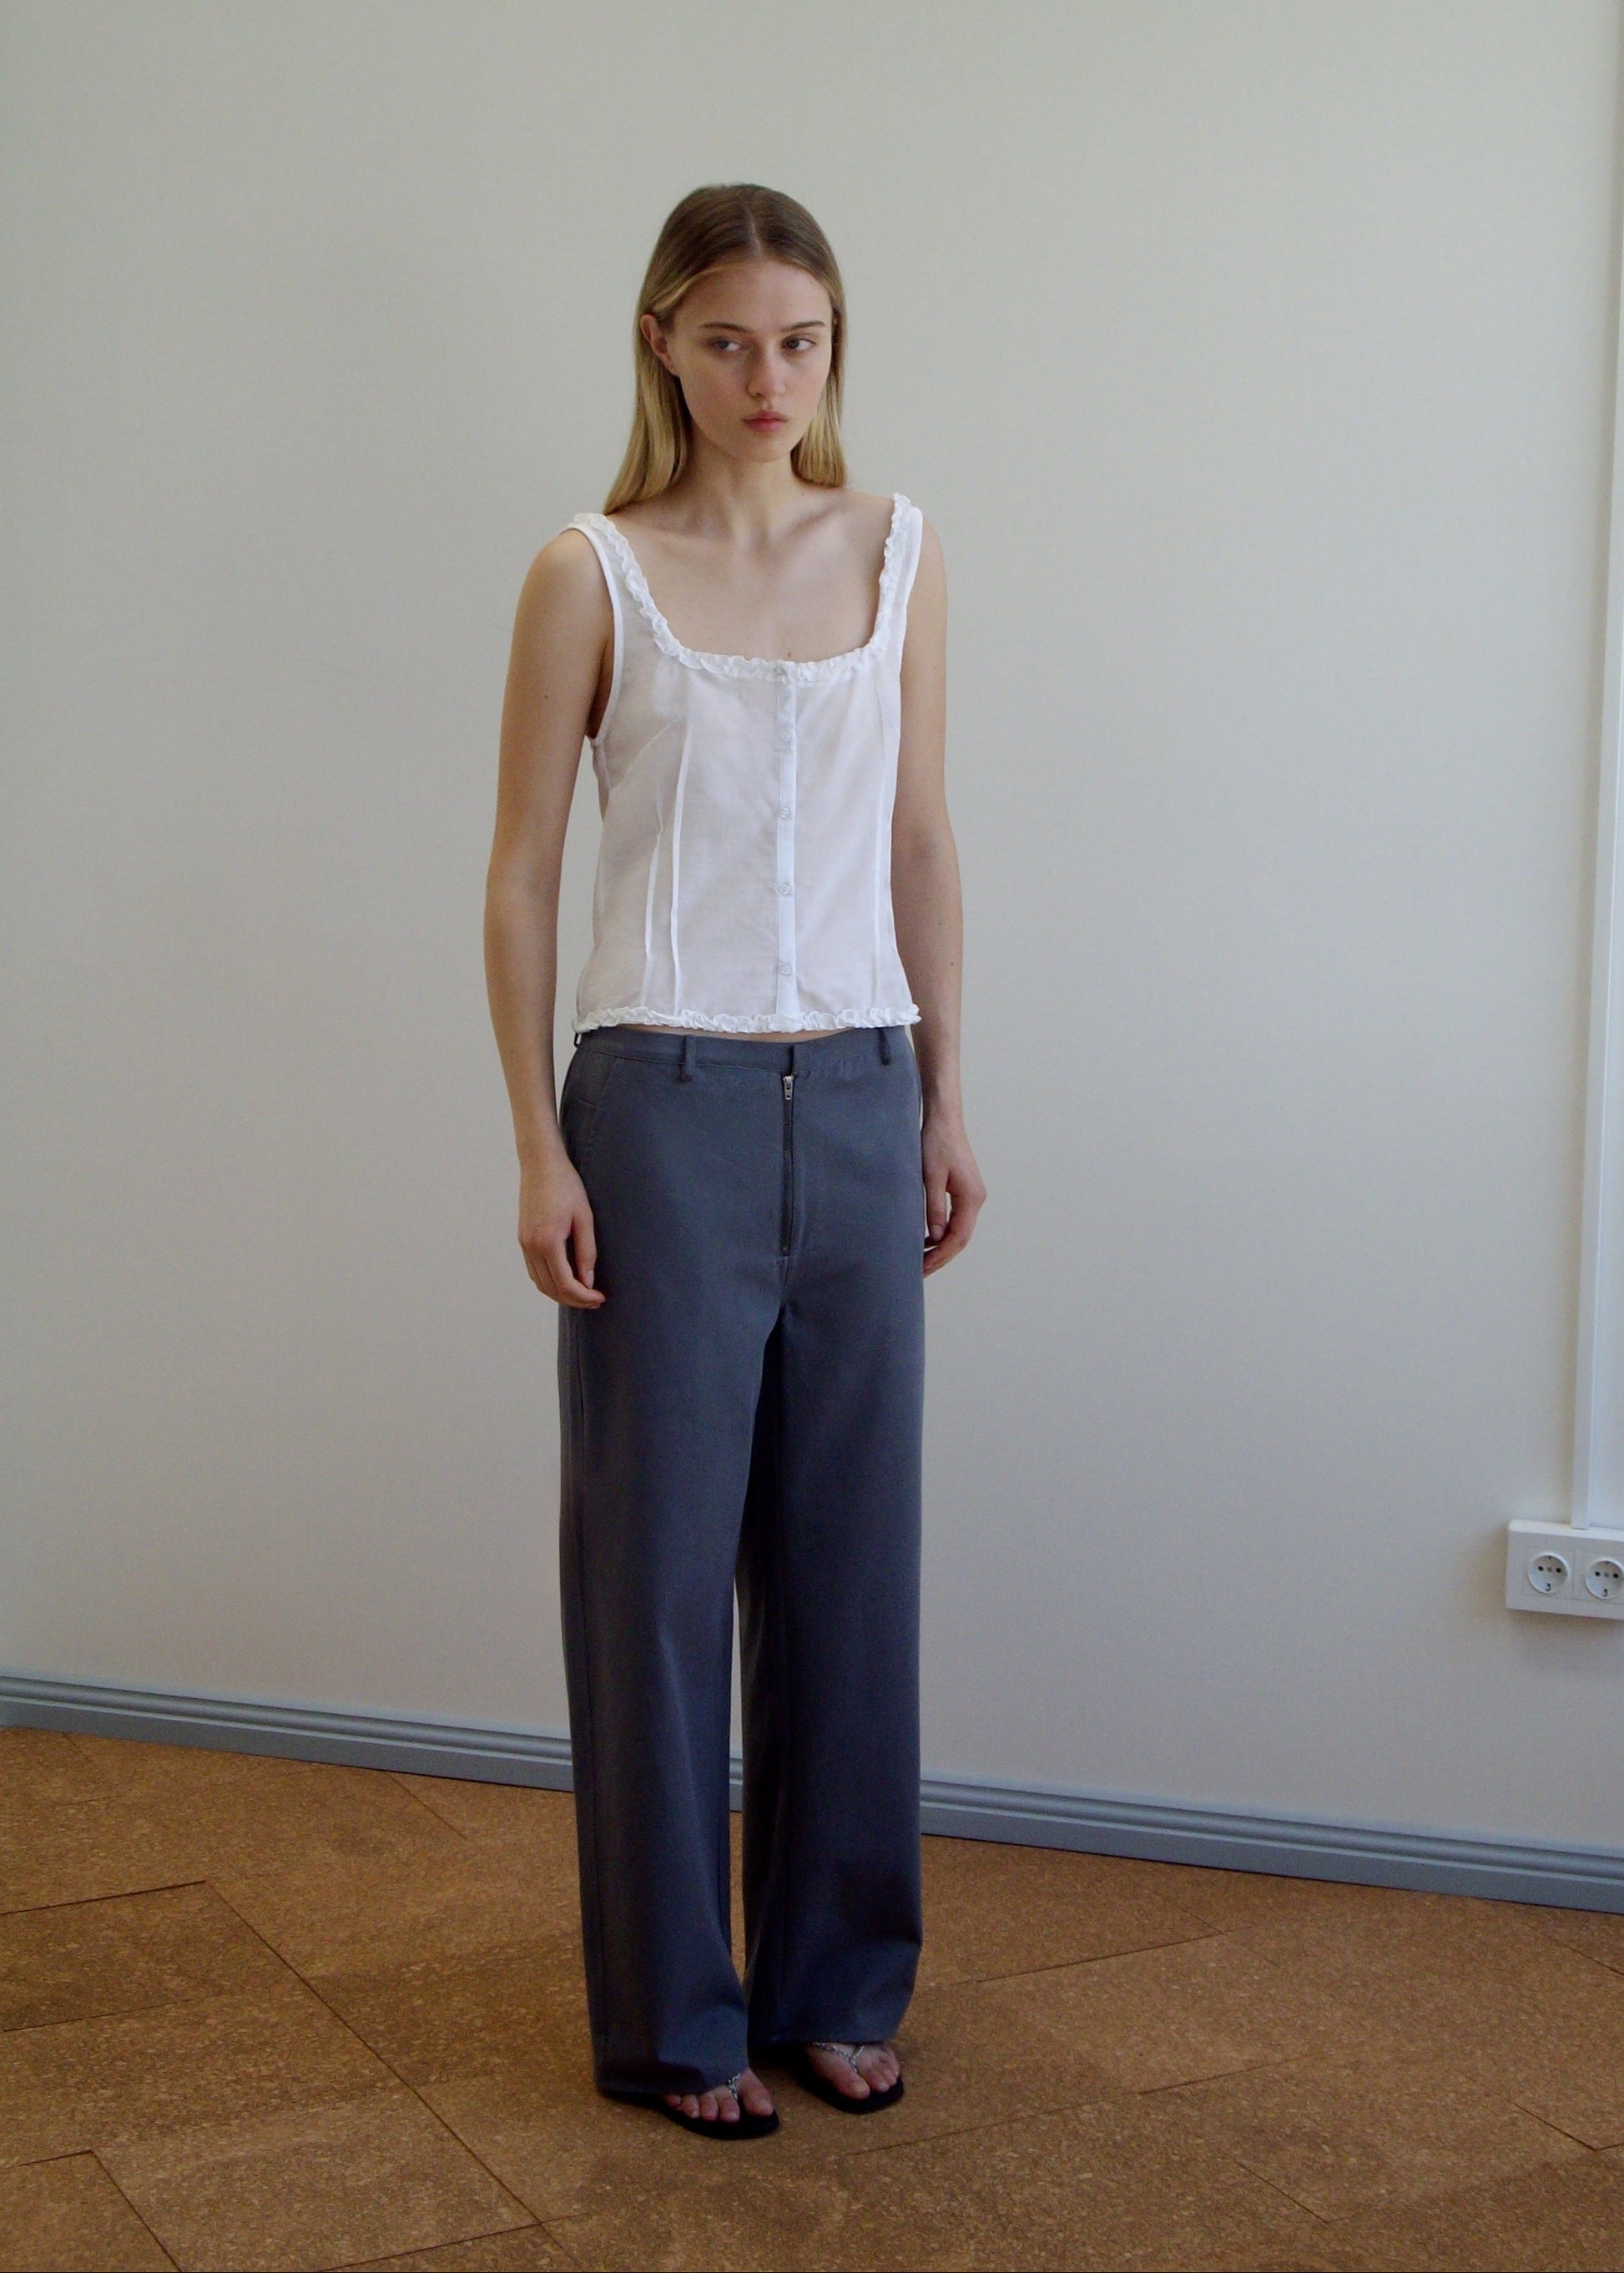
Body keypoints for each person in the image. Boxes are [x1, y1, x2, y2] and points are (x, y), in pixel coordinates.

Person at [484, 183, 984, 2139]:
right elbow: (523, 873)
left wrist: (945, 1095)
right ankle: (677, 2020)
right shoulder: (585, 570)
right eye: (724, 340)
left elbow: (920, 840)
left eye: (798, 340)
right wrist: (536, 1140)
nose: (765, 379)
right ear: (660, 348)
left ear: (832, 347)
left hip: (860, 1091)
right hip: (659, 1104)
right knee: (656, 1579)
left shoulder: (904, 549)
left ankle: (838, 1989)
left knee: (856, 1571)